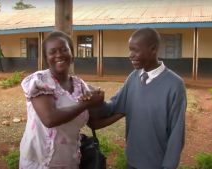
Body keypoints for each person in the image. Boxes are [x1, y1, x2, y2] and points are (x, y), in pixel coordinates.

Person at [90, 28, 187, 169]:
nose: (131, 55)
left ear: (153, 49)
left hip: (157, 164)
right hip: (132, 161)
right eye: (130, 50)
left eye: (135, 50)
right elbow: (112, 107)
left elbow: (177, 133)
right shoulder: (134, 78)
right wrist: (96, 101)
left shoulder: (175, 85)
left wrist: (168, 166)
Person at [19, 31, 105, 169]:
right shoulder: (40, 81)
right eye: (52, 52)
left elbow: (93, 122)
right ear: (46, 58)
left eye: (64, 49)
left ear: (72, 54)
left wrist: (119, 108)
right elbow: (50, 119)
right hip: (39, 163)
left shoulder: (80, 85)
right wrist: (86, 103)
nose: (59, 54)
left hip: (69, 161)